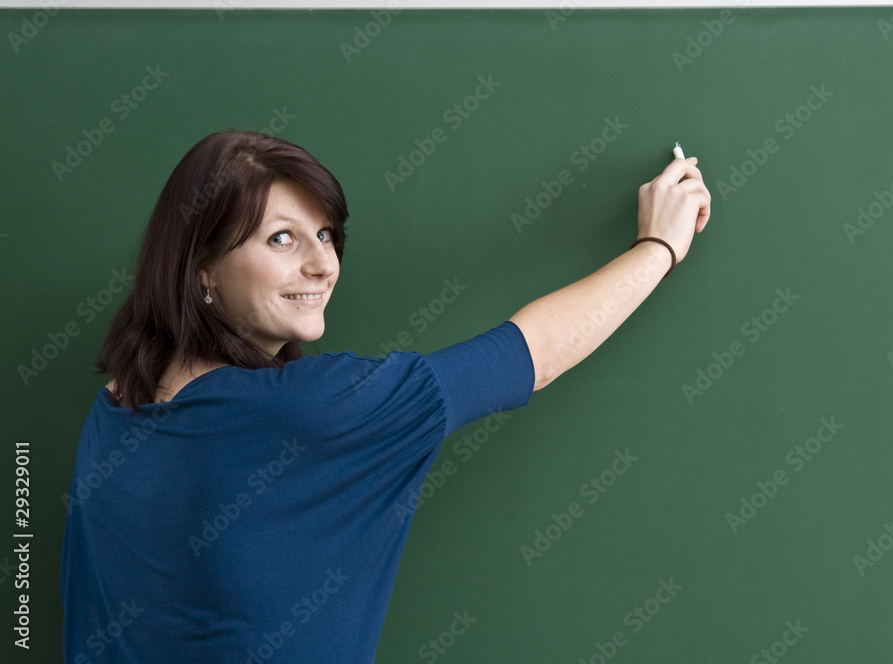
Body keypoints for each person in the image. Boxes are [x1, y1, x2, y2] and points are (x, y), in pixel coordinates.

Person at [60, 130, 710, 663]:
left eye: (325, 234)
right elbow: (527, 355)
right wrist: (660, 246)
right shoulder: (315, 410)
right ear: (201, 267)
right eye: (280, 238)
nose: (322, 264)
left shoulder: (114, 410)